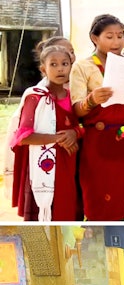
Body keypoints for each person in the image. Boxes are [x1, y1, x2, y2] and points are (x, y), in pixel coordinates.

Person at [71, 14, 124, 221]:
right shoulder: (82, 67)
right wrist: (92, 100)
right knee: (99, 191)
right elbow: (76, 109)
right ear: (94, 38)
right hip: (98, 143)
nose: (116, 42)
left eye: (120, 36)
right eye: (109, 37)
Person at [11, 44, 80, 221]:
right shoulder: (36, 96)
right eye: (53, 64)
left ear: (71, 66)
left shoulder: (73, 96)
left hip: (68, 165)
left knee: (66, 214)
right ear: (43, 69)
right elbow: (23, 137)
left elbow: (82, 127)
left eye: (65, 63)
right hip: (41, 168)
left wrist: (74, 133)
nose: (60, 69)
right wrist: (59, 138)